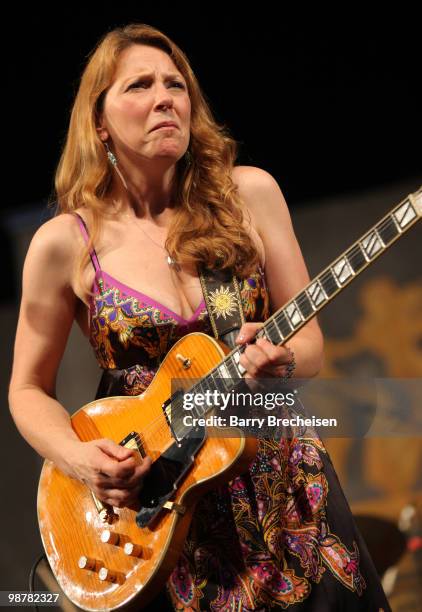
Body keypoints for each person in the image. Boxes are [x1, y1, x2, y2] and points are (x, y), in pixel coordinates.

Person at [8, 23, 391, 611]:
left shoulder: (249, 195)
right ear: (100, 121)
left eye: (176, 84)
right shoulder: (65, 243)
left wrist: (281, 362)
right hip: (158, 508)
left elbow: (308, 342)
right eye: (140, 84)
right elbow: (28, 389)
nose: (166, 97)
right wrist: (78, 457)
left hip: (281, 486)